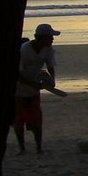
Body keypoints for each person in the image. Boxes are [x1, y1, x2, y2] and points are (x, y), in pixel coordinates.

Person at [12, 23, 60, 154]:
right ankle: (22, 149)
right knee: (19, 119)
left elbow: (50, 66)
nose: (52, 39)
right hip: (19, 89)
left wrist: (52, 80)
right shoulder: (24, 50)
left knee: (37, 118)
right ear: (40, 38)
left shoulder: (48, 48)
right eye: (50, 37)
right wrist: (31, 84)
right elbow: (16, 74)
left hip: (34, 88)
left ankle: (39, 148)